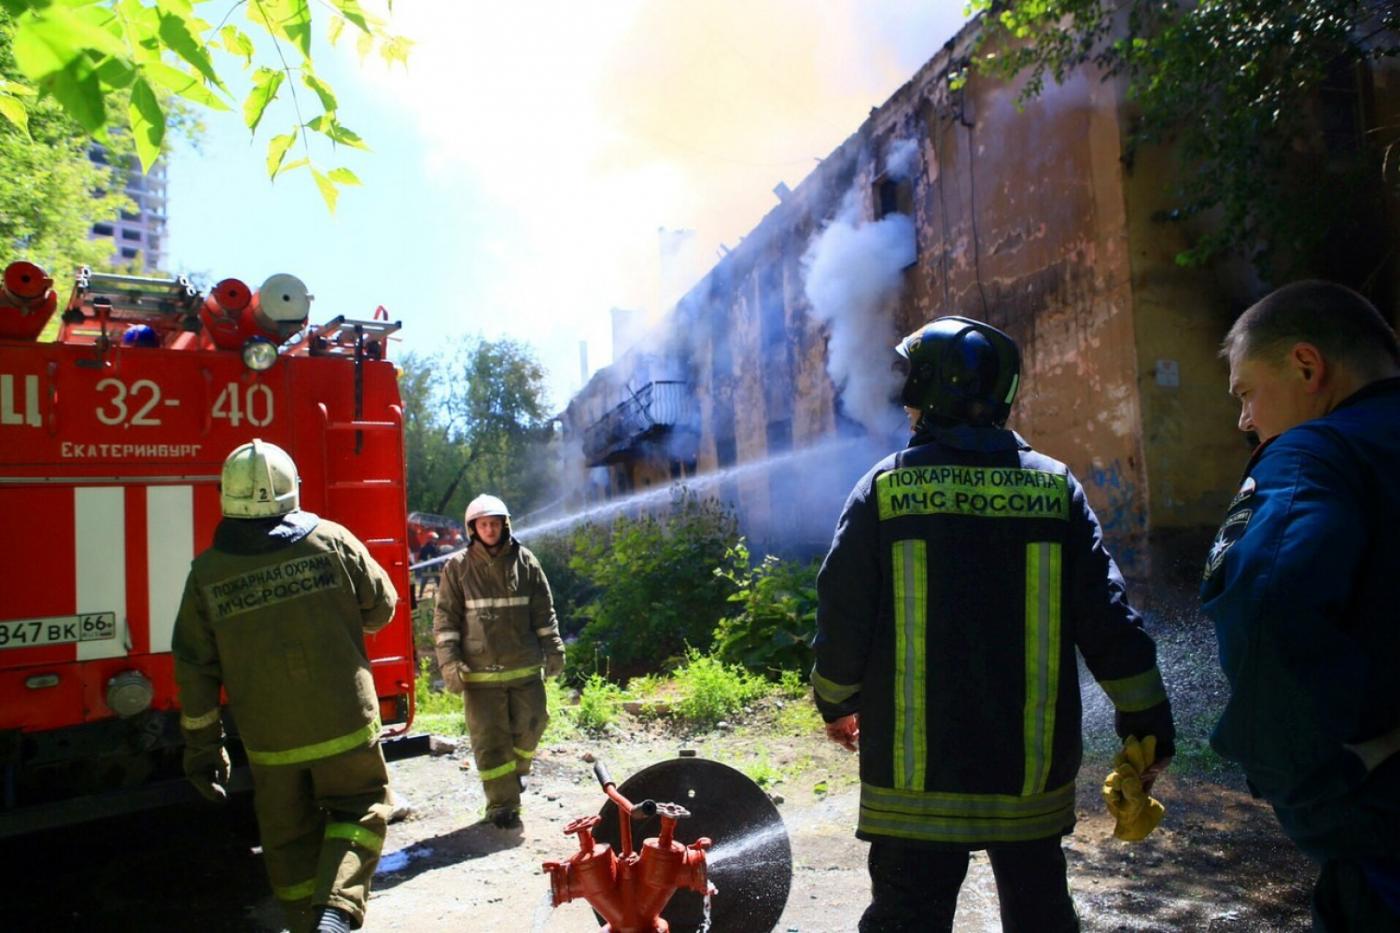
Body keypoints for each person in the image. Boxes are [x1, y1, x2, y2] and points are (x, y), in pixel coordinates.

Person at [811, 316, 1176, 932]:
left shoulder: (886, 488)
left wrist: (836, 701)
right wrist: (1147, 723)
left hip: (913, 788)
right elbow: (1110, 619)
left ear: (925, 392)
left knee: (906, 919)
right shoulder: (1055, 489)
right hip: (1027, 783)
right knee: (1039, 916)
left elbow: (842, 614)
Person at [1201, 280, 1400, 931]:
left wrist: (1319, 797)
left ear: (1307, 366)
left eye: (1246, 392)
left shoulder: (1312, 456)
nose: (1243, 419)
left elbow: (1267, 614)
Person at [172, 439, 398, 933]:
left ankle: (303, 922)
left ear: (224, 496)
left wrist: (203, 750)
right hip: (345, 722)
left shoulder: (206, 573)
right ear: (291, 490)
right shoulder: (332, 540)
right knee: (360, 808)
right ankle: (336, 912)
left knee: (287, 837)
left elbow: (194, 668)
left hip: (270, 741)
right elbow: (382, 608)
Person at [432, 493, 566, 828]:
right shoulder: (457, 568)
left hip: (524, 666)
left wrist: (554, 648)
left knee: (534, 723)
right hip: (480, 675)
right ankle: (502, 805)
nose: (489, 529)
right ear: (473, 529)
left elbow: (543, 613)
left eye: (494, 523)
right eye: (483, 524)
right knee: (490, 740)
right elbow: (445, 619)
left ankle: (517, 772)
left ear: (504, 525)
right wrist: (450, 663)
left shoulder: (527, 562)